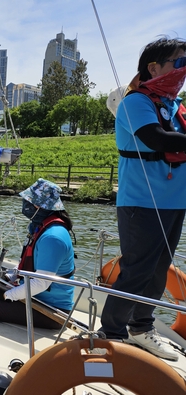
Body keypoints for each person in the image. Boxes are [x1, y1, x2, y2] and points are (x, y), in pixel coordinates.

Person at [99, 37, 186, 361]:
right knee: (137, 269)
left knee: (159, 269)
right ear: (154, 67)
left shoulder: (176, 107)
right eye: (178, 63)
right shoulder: (135, 103)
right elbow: (156, 138)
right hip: (142, 200)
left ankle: (141, 327)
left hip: (175, 201)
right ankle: (112, 333)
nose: (183, 70)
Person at [0, 178, 75, 330]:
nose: (25, 203)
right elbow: (29, 264)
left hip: (52, 310)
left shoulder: (53, 237)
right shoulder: (40, 227)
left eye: (29, 200)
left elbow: (41, 283)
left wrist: (5, 295)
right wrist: (9, 277)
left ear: (40, 205)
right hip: (35, 298)